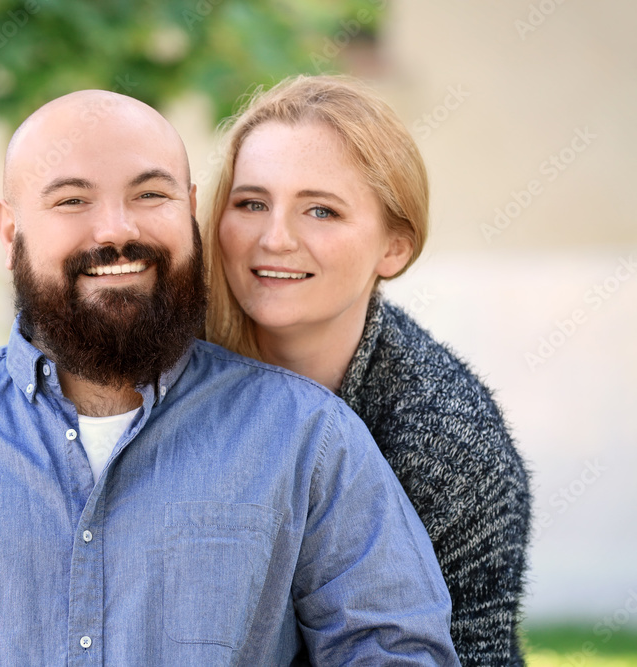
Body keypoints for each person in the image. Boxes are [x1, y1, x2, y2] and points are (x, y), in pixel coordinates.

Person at [0, 89, 460, 666]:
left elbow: (396, 652)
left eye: (149, 194)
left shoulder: (308, 437)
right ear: (10, 231)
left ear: (189, 210)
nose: (116, 229)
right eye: (71, 200)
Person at [204, 74, 531, 666]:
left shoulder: (445, 442)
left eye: (321, 211)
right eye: (252, 203)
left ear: (394, 247)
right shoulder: (162, 369)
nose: (274, 238)